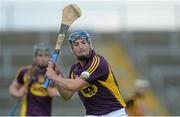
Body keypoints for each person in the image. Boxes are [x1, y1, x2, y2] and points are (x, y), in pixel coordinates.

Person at [46, 31, 127, 116]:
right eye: (76, 44)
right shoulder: (74, 69)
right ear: (72, 49)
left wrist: (54, 77)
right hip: (92, 114)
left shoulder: (98, 62)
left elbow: (75, 85)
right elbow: (66, 95)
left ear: (90, 45)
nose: (80, 47)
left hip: (114, 113)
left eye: (83, 42)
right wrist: (57, 75)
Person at [9, 42, 59, 116]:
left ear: (50, 57)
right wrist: (18, 94)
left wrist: (57, 92)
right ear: (34, 57)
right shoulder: (25, 72)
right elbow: (12, 88)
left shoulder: (54, 73)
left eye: (46, 55)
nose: (43, 58)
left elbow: (65, 93)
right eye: (40, 55)